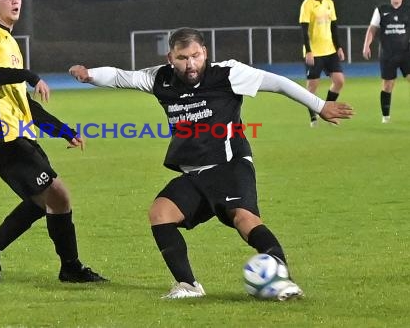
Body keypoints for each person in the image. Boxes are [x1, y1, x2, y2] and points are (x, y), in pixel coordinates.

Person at [68, 27, 353, 300]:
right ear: (171, 58)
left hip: (230, 164)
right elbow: (121, 77)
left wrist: (320, 105)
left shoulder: (228, 73)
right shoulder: (160, 79)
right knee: (161, 213)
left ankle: (283, 281)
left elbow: (277, 83)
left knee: (244, 218)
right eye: (182, 58)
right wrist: (89, 74)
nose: (190, 64)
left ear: (205, 52)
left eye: (196, 56)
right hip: (195, 172)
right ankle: (188, 285)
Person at [0, 0, 107, 283]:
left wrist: (63, 130)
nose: (15, 1)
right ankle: (68, 267)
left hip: (16, 133)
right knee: (56, 195)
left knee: (49, 200)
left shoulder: (10, 42)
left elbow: (24, 104)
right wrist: (29, 75)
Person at [299, 0, 346, 127]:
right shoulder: (307, 4)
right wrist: (309, 51)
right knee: (312, 86)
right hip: (315, 52)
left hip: (330, 51)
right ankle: (313, 116)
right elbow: (304, 30)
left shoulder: (329, 3)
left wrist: (338, 46)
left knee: (339, 81)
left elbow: (334, 27)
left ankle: (328, 110)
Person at [362, 0, 410, 123]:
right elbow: (372, 29)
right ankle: (386, 116)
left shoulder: (408, 10)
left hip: (406, 53)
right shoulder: (381, 9)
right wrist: (366, 45)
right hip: (387, 54)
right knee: (388, 85)